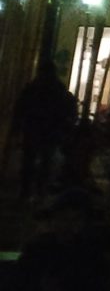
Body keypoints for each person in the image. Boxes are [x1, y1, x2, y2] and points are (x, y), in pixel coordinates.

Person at [11, 59, 75, 200]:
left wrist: (16, 128)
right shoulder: (59, 89)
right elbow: (69, 110)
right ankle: (40, 191)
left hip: (33, 129)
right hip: (50, 132)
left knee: (29, 161)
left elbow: (20, 108)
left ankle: (26, 192)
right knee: (46, 161)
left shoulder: (33, 88)